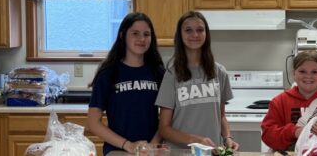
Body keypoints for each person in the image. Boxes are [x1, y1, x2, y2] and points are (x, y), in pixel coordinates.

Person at [156, 11, 239, 150]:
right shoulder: (171, 74)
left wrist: (227, 137)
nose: (195, 35)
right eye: (188, 30)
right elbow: (164, 128)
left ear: (206, 34)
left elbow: (221, 117)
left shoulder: (219, 72)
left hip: (212, 151)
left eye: (200, 30)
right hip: (180, 152)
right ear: (180, 35)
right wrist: (196, 140)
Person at [87, 12, 165, 155]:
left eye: (146, 34)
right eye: (135, 33)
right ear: (123, 36)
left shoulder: (158, 73)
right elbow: (93, 122)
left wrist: (152, 146)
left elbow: (167, 118)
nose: (142, 39)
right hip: (118, 150)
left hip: (151, 150)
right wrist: (128, 145)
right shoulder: (108, 74)